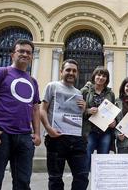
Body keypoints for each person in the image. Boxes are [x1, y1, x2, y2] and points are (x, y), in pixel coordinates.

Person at [0, 39, 41, 190]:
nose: (25, 54)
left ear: (32, 57)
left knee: (23, 183)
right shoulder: (2, 72)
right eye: (21, 51)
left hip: (25, 138)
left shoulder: (32, 81)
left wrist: (37, 133)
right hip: (1, 135)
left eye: (28, 52)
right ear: (13, 54)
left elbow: (35, 109)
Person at [40, 59, 89, 190]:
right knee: (55, 178)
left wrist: (83, 108)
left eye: (74, 71)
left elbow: (78, 117)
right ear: (61, 72)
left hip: (76, 139)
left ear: (77, 73)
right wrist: (48, 129)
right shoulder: (52, 86)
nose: (71, 73)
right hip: (56, 138)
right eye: (68, 70)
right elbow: (42, 109)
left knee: (82, 176)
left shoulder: (78, 93)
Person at [81, 66, 115, 171]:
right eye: (99, 75)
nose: (101, 77)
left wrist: (114, 121)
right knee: (86, 158)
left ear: (107, 79)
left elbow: (113, 111)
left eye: (104, 76)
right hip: (90, 131)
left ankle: (101, 184)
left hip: (105, 131)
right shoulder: (85, 91)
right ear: (94, 76)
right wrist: (87, 111)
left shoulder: (110, 94)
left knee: (103, 159)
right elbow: (76, 110)